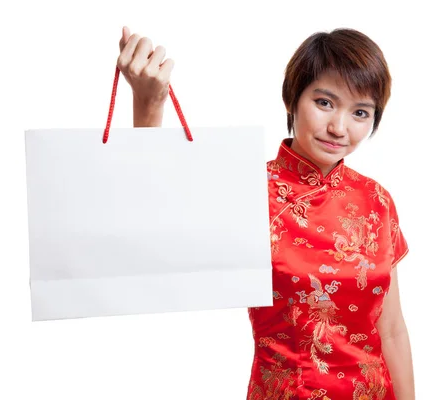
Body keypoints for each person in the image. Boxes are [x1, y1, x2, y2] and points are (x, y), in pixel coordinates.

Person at [117, 26, 415, 400]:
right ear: (292, 98)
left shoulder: (376, 200)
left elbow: (390, 330)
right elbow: (154, 222)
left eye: (359, 112)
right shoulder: (249, 191)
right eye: (324, 102)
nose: (339, 128)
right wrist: (149, 104)